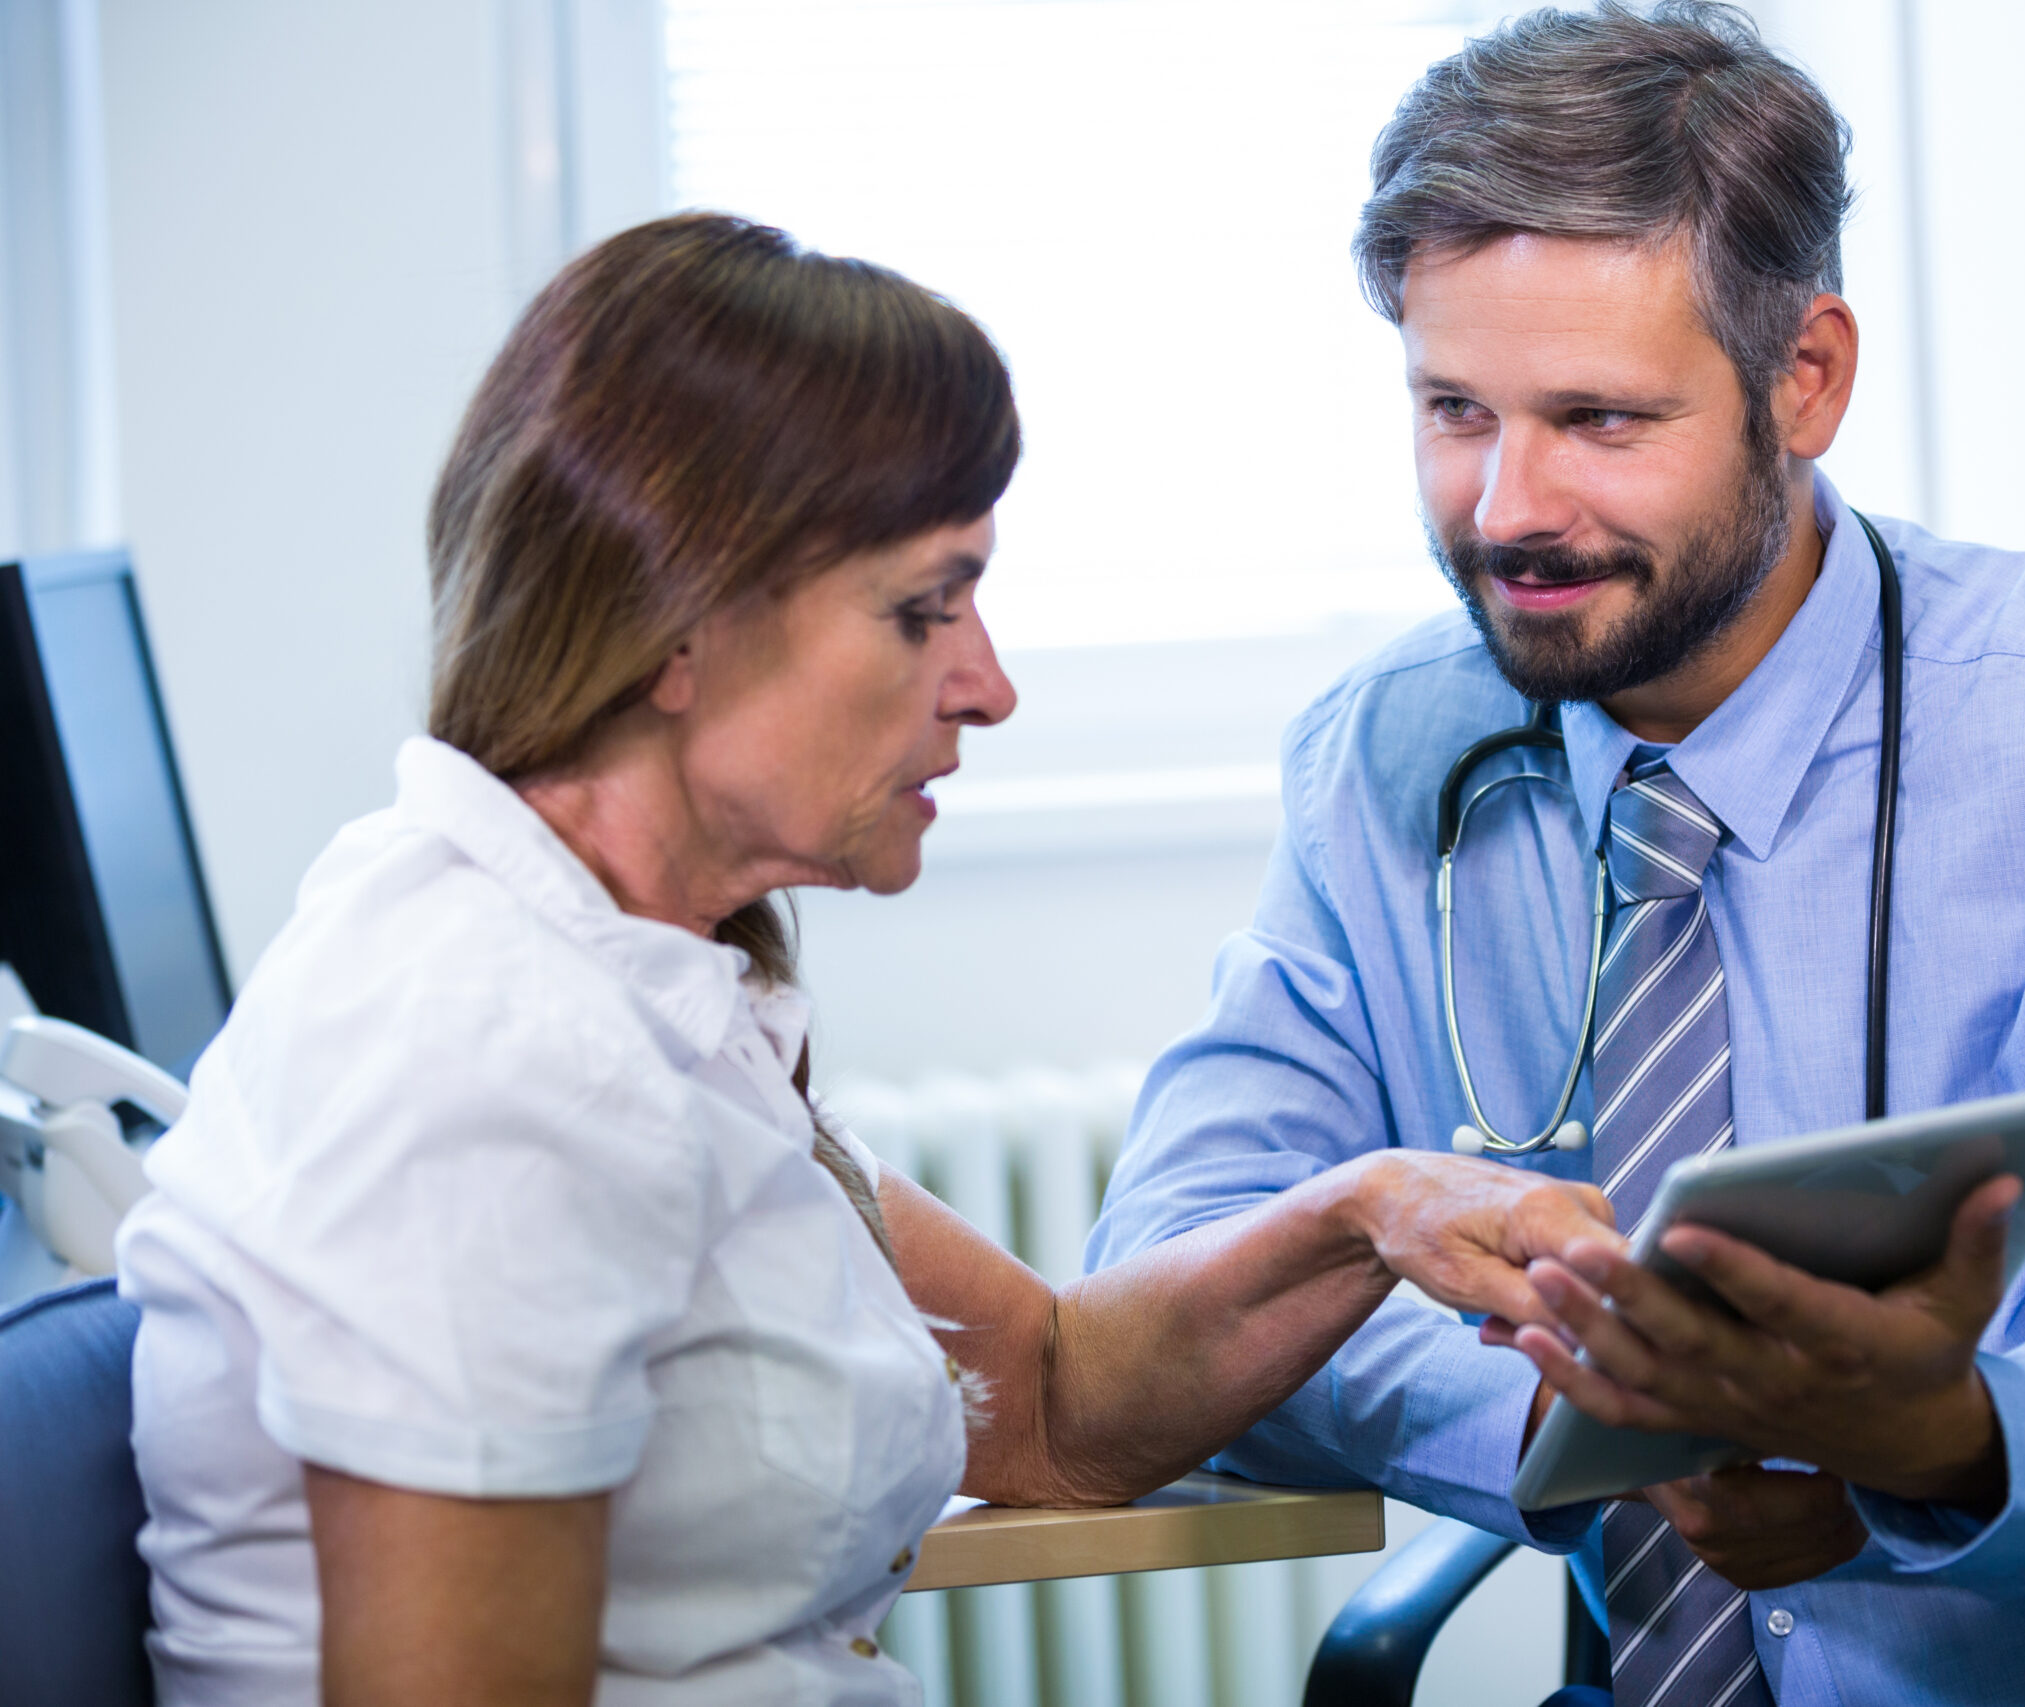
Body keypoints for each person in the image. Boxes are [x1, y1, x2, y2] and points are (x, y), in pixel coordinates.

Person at [1088, 5, 2025, 1703]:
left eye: (1599, 420)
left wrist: (1954, 1440)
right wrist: (1569, 1410)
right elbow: (1179, 1285)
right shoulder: (1389, 756)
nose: (1506, 506)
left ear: (1803, 379)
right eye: (1455, 407)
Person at [112, 212, 1618, 1707]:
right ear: (672, 631)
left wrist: (1368, 1212)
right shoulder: (490, 1066)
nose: (990, 684)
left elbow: (1049, 1402)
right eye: (922, 608)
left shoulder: (644, 985)